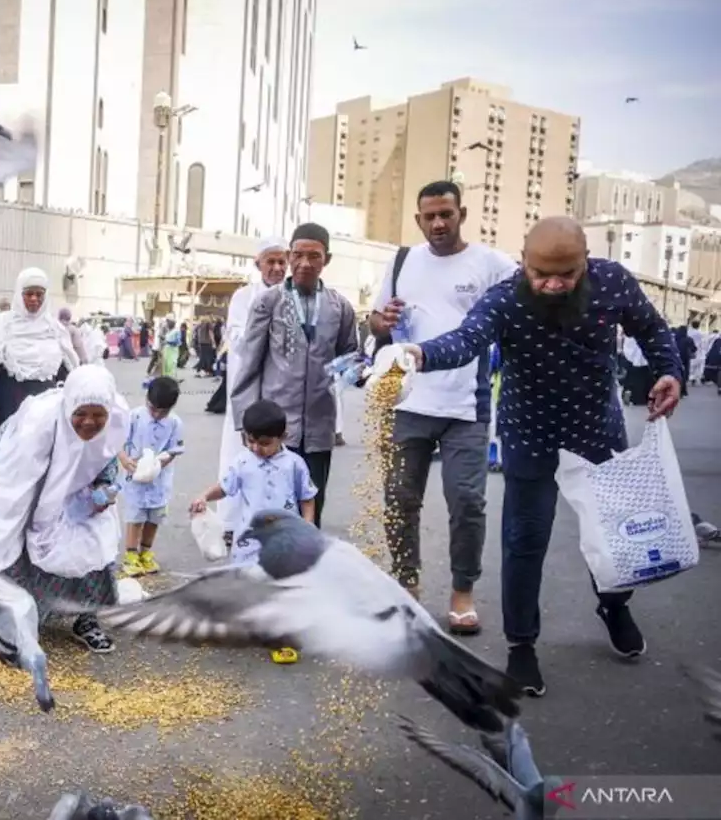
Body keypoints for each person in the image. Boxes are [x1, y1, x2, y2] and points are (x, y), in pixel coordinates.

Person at [399, 216, 681, 697]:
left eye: (566, 274)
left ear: (585, 262)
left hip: (596, 429)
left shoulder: (613, 281)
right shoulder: (505, 297)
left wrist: (668, 370)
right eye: (540, 274)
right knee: (525, 540)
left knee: (609, 532)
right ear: (524, 263)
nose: (552, 284)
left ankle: (614, 605)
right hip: (530, 435)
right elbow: (467, 340)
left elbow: (653, 330)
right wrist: (420, 354)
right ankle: (521, 646)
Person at [369, 181, 518, 634]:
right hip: (405, 400)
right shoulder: (401, 261)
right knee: (400, 499)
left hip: (465, 407)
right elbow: (374, 319)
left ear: (462, 214)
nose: (438, 223)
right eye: (429, 216)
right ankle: (406, 586)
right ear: (418, 219)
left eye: (446, 214)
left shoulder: (493, 264)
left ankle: (462, 592)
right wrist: (383, 320)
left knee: (468, 501)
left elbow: (522, 311)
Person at [0, 365, 130, 654]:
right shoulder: (36, 429)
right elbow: (5, 499)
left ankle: (87, 618)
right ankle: (4, 626)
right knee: (21, 535)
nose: (89, 422)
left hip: (76, 489)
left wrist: (103, 492)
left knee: (95, 539)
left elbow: (105, 464)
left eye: (98, 415)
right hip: (26, 474)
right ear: (68, 406)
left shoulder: (116, 420)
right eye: (80, 414)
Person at [232, 223, 358, 528]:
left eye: (313, 256)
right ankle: (269, 568)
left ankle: (306, 566)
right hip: (274, 425)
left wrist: (368, 371)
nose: (304, 263)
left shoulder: (340, 307)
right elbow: (249, 362)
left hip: (318, 426)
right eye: (297, 255)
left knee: (312, 500)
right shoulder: (269, 301)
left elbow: (349, 359)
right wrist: (247, 421)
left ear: (326, 259)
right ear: (289, 256)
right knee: (270, 501)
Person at [190, 398, 317, 664]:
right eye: (251, 441)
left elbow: (307, 497)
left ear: (282, 436)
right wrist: (203, 495)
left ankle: (281, 636)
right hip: (249, 540)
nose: (256, 448)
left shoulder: (294, 464)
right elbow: (224, 487)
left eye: (264, 443)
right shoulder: (243, 463)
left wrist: (308, 524)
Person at [0, 266, 79, 499]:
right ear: (20, 294)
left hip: (45, 413)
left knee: (42, 466)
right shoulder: (3, 325)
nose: (34, 299)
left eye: (39, 294)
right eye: (29, 293)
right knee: (8, 466)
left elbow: (71, 369)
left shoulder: (55, 329)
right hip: (11, 408)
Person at [216, 237, 290, 536]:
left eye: (281, 262)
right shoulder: (243, 297)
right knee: (241, 450)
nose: (276, 267)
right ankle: (233, 522)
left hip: (282, 385)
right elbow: (237, 337)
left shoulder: (295, 296)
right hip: (248, 385)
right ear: (257, 263)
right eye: (270, 261)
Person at [118, 376, 185, 577]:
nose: (156, 414)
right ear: (146, 400)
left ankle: (146, 551)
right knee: (135, 516)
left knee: (154, 517)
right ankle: (130, 555)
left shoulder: (175, 423)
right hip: (135, 476)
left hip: (159, 480)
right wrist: (124, 459)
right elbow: (119, 442)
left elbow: (174, 450)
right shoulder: (135, 417)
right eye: (153, 409)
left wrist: (158, 464)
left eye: (162, 412)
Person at [686, 318, 704, 386]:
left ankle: (691, 377)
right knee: (698, 366)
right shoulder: (701, 333)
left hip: (691, 349)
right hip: (699, 350)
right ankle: (695, 378)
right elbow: (703, 343)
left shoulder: (688, 332)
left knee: (691, 364)